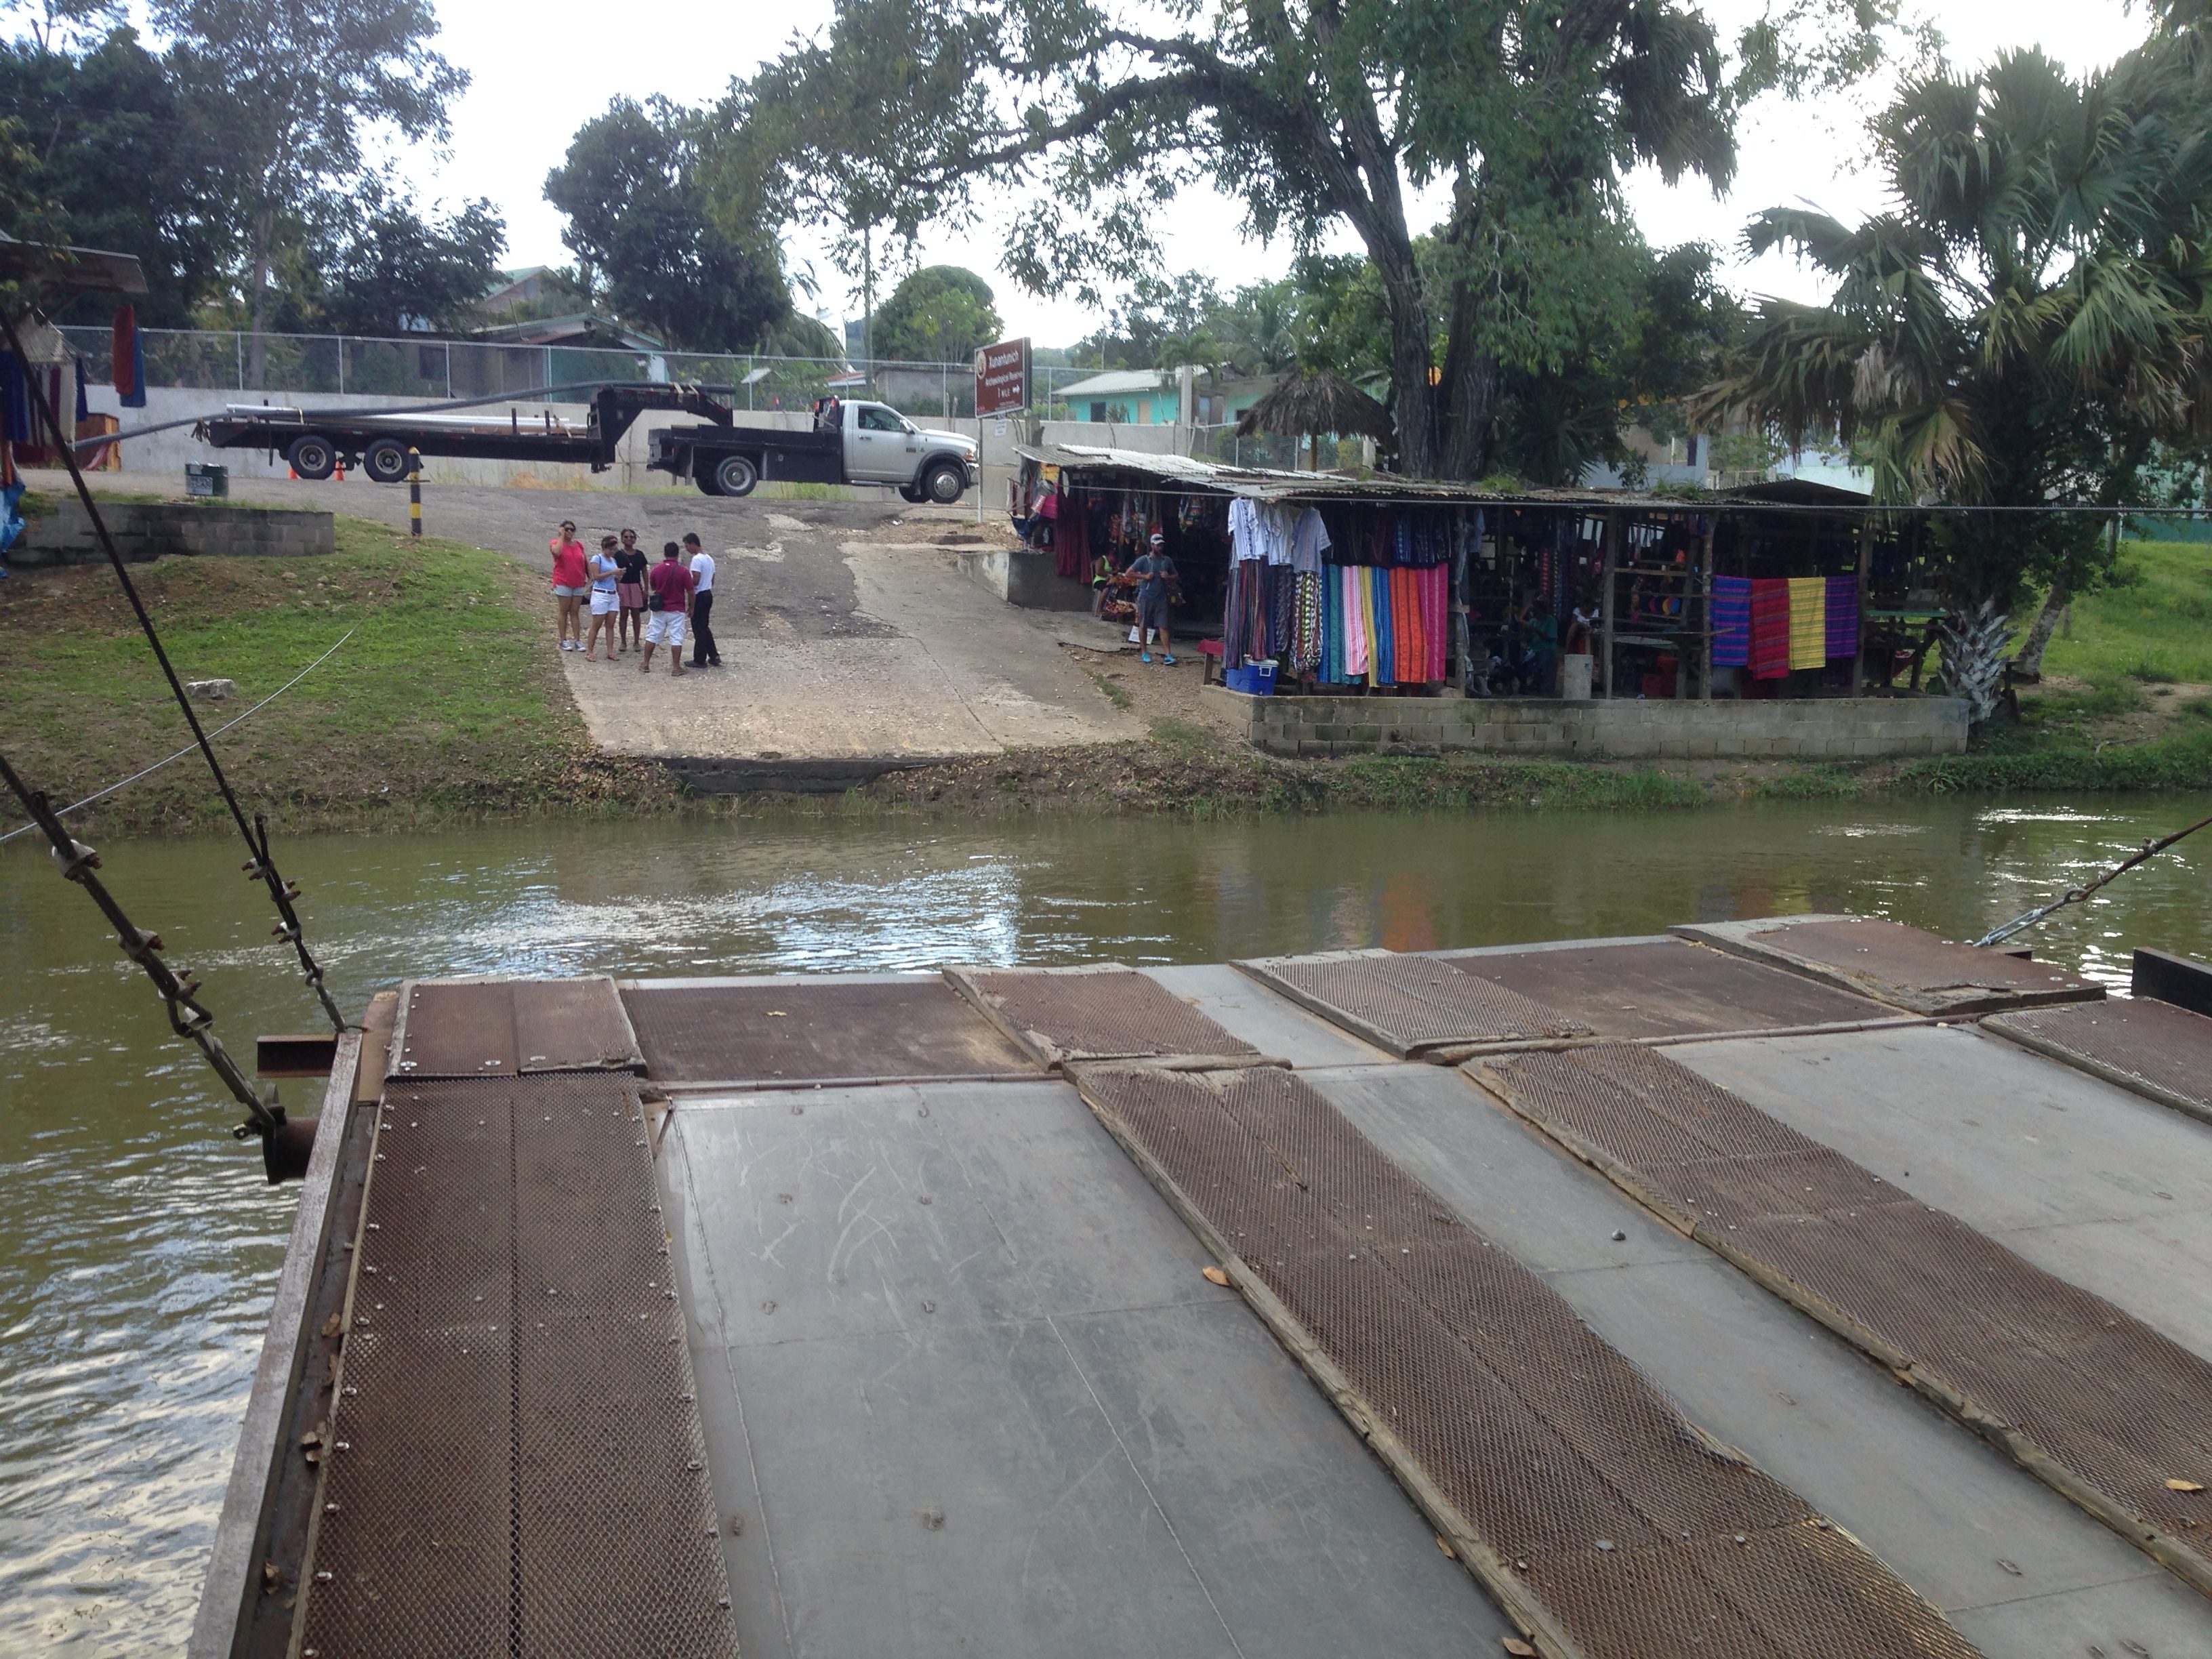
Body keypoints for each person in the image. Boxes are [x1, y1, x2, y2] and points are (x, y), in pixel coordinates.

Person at [640, 540, 694, 676]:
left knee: (652, 635)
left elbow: (653, 587)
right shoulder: (683, 572)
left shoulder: (656, 570)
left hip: (659, 608)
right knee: (676, 638)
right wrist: (691, 607)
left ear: (665, 554)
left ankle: (646, 664)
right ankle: (676, 667)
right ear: (677, 554)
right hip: (677, 609)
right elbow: (690, 591)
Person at [1128, 531, 1176, 664]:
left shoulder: (1167, 561)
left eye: (1161, 545)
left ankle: (1168, 654)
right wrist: (1144, 577)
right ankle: (1144, 652)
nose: (1160, 547)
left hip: (1161, 597)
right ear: (1152, 546)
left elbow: (1176, 575)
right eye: (1157, 545)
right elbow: (1129, 573)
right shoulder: (1144, 560)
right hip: (1145, 597)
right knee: (1143, 625)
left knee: (1163, 625)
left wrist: (1168, 576)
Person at [548, 519, 588, 651]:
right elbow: (557, 553)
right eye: (566, 529)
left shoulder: (579, 545)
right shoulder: (555, 543)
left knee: (575, 612)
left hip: (578, 582)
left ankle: (577, 640)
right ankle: (563, 639)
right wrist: (560, 537)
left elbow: (584, 561)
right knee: (564, 611)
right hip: (563, 581)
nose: (569, 532)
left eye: (572, 529)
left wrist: (590, 576)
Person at [684, 531, 720, 668]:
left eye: (687, 546)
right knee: (704, 627)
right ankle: (713, 655)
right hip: (708, 593)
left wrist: (687, 582)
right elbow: (713, 579)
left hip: (699, 595)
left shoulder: (697, 560)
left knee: (698, 628)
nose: (687, 549)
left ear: (693, 544)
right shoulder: (709, 558)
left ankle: (700, 658)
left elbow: (696, 580)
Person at [583, 535, 622, 661]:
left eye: (614, 550)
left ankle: (610, 651)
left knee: (610, 624)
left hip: (612, 593)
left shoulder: (613, 561)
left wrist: (619, 576)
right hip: (601, 594)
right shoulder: (597, 558)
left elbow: (615, 579)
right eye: (611, 549)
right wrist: (612, 572)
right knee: (597, 624)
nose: (612, 552)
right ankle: (590, 651)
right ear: (605, 548)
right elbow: (596, 576)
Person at [615, 529, 649, 653]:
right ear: (622, 539)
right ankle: (623, 641)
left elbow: (644, 571)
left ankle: (636, 641)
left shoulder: (639, 554)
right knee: (623, 615)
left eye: (631, 537)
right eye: (626, 537)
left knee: (636, 615)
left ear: (635, 539)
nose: (629, 539)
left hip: (635, 586)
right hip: (622, 586)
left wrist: (646, 587)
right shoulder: (618, 555)